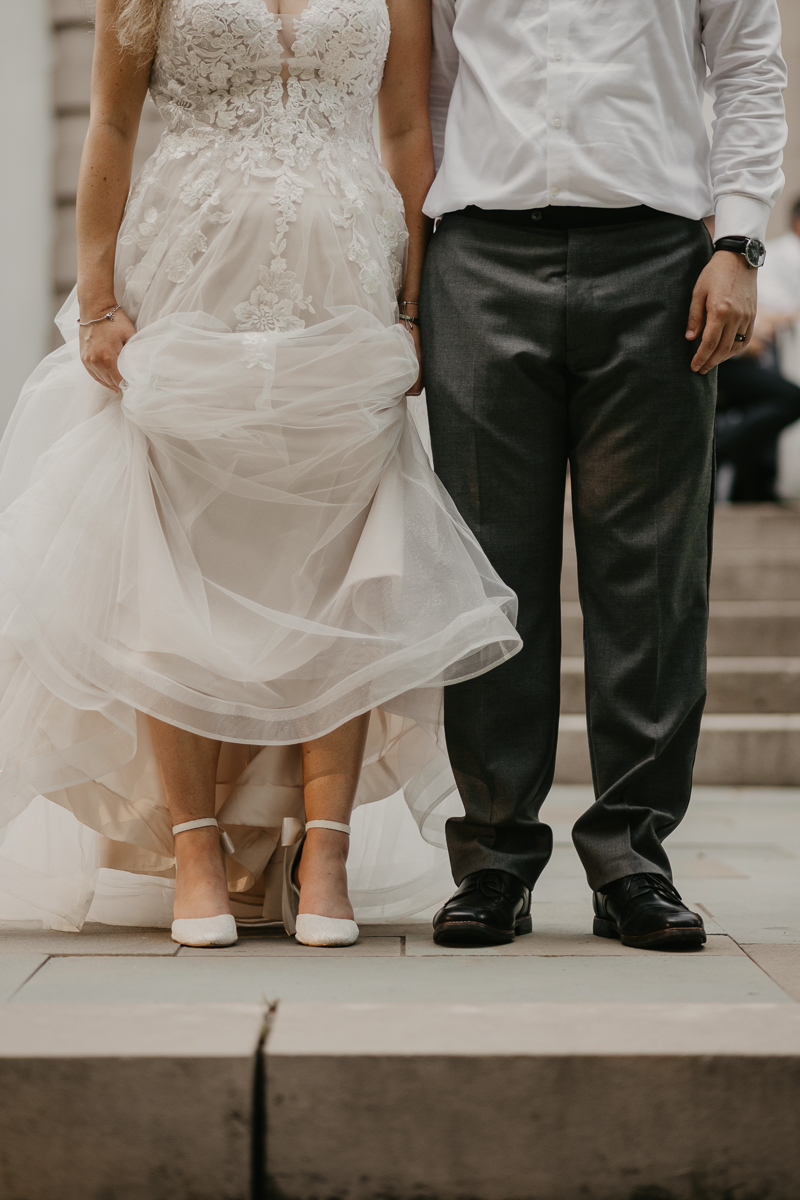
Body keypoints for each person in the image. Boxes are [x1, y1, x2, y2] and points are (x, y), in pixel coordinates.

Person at [0, 0, 521, 948]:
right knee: (168, 548)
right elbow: (112, 120)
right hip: (187, 279)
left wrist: (414, 306)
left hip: (347, 284)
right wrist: (98, 299)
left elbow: (406, 128)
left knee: (347, 556)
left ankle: (326, 851)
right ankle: (195, 847)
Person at [421, 0, 787, 949]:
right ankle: (495, 858)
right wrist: (410, 272)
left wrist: (740, 242)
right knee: (489, 576)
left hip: (660, 260)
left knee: (655, 572)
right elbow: (428, 86)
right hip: (480, 249)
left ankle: (632, 856)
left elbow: (750, 64)